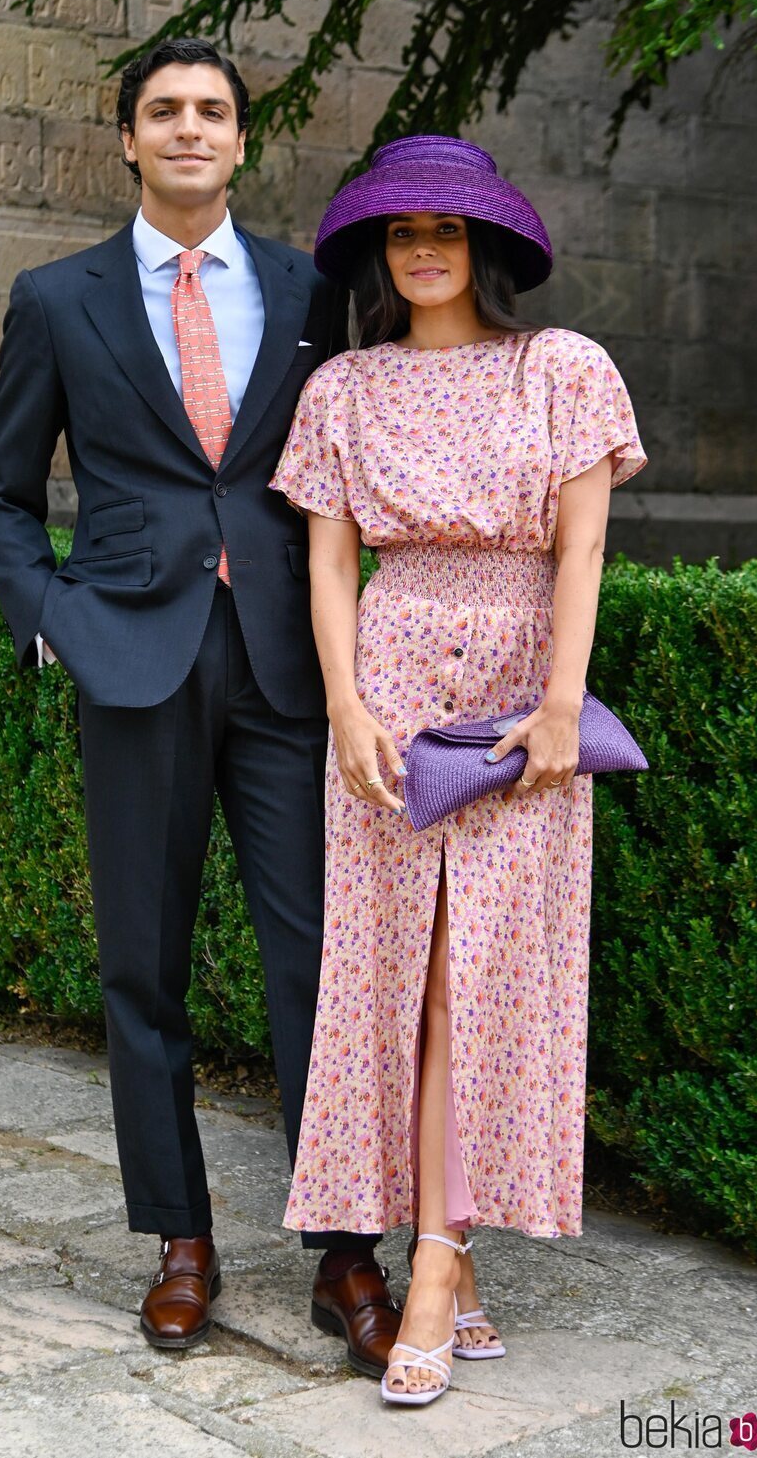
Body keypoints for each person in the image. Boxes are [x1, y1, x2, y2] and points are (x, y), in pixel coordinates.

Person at [0, 38, 403, 1367]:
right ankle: (181, 1238)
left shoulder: (308, 288)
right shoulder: (58, 298)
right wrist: (55, 625)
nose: (190, 128)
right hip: (133, 661)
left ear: (243, 139)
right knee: (144, 963)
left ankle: (345, 1252)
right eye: (165, 111)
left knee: (317, 957)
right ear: (128, 138)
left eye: (213, 110)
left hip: (285, 663)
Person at [269, 136, 646, 1406]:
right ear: (379, 255)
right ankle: (451, 1253)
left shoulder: (564, 369)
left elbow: (581, 555)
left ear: (485, 242)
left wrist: (554, 704)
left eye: (444, 226)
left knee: (480, 977)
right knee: (397, 977)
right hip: (385, 690)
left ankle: (434, 1262)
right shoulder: (346, 390)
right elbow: (327, 565)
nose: (421, 248)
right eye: (398, 231)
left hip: (514, 701)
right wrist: (344, 707)